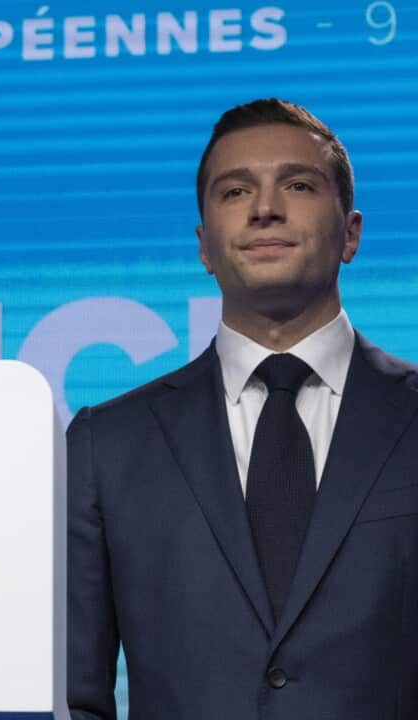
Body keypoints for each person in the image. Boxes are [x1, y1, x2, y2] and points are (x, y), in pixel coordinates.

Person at [68, 98, 418, 719]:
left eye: (299, 185)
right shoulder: (107, 445)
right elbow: (74, 696)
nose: (264, 209)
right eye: (235, 192)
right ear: (205, 246)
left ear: (352, 233)